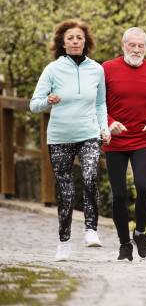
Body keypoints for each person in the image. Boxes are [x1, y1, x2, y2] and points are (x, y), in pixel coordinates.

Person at [30, 19, 110, 262]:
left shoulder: (97, 69)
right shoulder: (52, 70)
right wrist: (48, 100)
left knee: (89, 177)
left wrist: (103, 128)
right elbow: (34, 105)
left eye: (79, 38)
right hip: (60, 137)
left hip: (89, 134)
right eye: (70, 39)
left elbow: (100, 103)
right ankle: (64, 243)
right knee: (65, 192)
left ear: (86, 42)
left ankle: (90, 230)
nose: (75, 42)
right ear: (62, 44)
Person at [103, 27, 146, 262]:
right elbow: (98, 104)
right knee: (119, 194)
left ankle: (140, 232)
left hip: (143, 138)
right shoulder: (107, 68)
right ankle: (124, 243)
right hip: (115, 141)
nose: (137, 50)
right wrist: (109, 123)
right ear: (123, 46)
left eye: (141, 46)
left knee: (143, 187)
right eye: (132, 45)